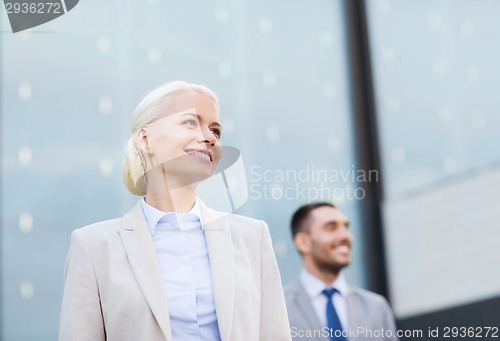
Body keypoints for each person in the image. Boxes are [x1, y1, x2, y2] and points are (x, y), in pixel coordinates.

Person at [59, 81, 291, 341]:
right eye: (191, 122)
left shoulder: (253, 237)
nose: (210, 137)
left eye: (216, 130)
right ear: (146, 139)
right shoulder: (93, 247)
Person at [285, 202, 398, 341]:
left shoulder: (376, 307)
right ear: (303, 243)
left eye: (346, 227)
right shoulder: (280, 308)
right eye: (331, 228)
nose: (346, 236)